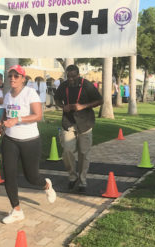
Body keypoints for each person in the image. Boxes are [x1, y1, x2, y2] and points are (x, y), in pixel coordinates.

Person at [0, 65, 56, 224]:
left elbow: (38, 115)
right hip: (10, 140)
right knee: (9, 176)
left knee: (32, 177)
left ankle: (46, 185)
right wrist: (0, 124)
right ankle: (16, 210)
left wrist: (18, 120)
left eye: (16, 76)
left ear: (23, 78)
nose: (12, 79)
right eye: (10, 76)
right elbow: (6, 112)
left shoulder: (30, 93)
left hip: (30, 141)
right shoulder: (8, 95)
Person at [54, 65, 102, 193]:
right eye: (68, 76)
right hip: (68, 122)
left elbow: (99, 100)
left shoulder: (86, 85)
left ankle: (82, 180)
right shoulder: (64, 86)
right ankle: (72, 176)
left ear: (78, 75)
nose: (70, 79)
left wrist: (82, 106)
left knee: (84, 153)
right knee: (67, 151)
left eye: (73, 76)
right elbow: (57, 98)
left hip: (85, 123)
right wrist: (62, 106)